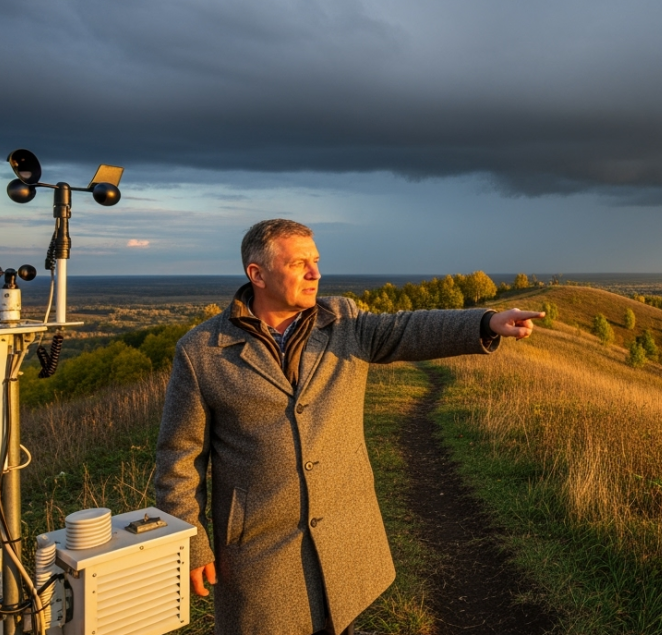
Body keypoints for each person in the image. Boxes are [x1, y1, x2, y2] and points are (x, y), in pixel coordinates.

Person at [154, 219, 541, 635]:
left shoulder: (342, 322)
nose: (315, 273)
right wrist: (191, 542)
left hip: (342, 533)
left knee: (339, 621)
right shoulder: (202, 351)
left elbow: (408, 329)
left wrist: (484, 324)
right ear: (257, 274)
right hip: (259, 549)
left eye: (316, 261)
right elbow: (179, 457)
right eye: (300, 263)